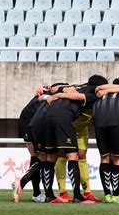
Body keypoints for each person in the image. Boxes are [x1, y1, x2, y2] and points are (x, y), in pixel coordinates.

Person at [31, 75, 107, 203]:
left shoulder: (76, 86)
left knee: (51, 157)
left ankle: (49, 195)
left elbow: (55, 88)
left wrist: (58, 92)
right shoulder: (92, 94)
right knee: (73, 156)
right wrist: (61, 95)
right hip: (64, 118)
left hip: (48, 115)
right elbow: (79, 97)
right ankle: (77, 195)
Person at [13, 83, 68, 203]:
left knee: (38, 158)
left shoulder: (52, 92)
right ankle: (25, 185)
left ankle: (36, 193)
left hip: (29, 122)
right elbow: (40, 98)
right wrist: (46, 97)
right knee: (42, 158)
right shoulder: (50, 94)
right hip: (30, 124)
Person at [54, 108, 101, 203]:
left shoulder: (94, 97)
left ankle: (87, 192)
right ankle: (63, 192)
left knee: (82, 156)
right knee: (62, 155)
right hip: (66, 126)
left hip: (82, 129)